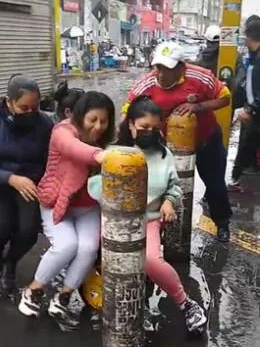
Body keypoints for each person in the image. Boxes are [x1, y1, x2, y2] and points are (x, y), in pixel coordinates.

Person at [87, 96, 207, 332]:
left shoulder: (164, 156)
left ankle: (186, 304)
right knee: (98, 255)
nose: (149, 133)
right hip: (116, 221)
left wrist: (169, 202)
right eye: (143, 128)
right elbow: (94, 185)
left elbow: (174, 187)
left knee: (150, 260)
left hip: (149, 219)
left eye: (154, 128)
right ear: (130, 125)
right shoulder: (114, 154)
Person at [18, 91, 113, 331]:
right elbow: (75, 150)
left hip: (86, 207)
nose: (98, 126)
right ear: (80, 116)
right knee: (66, 245)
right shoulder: (62, 132)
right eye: (93, 119)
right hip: (55, 203)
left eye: (104, 120)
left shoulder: (105, 140)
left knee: (89, 247)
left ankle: (64, 295)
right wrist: (103, 156)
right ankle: (33, 290)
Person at [123, 41, 233, 242]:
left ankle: (223, 222)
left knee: (215, 183)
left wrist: (197, 107)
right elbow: (127, 115)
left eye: (168, 68)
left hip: (206, 139)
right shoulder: (145, 86)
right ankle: (162, 230)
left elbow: (225, 98)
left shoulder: (200, 77)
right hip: (167, 146)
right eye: (159, 67)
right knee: (163, 186)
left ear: (182, 67)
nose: (162, 74)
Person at [0, 75, 54, 295]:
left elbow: (51, 159)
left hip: (29, 183)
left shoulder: (44, 123)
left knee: (29, 231)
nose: (29, 113)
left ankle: (10, 264)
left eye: (34, 108)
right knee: (1, 225)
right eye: (23, 107)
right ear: (9, 102)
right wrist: (11, 178)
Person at [230, 17, 260, 191]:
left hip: (255, 114)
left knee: (247, 148)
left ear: (248, 36)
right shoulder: (253, 58)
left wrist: (250, 109)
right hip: (253, 113)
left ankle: (239, 179)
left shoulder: (257, 61)